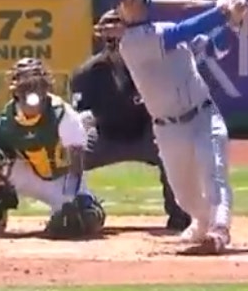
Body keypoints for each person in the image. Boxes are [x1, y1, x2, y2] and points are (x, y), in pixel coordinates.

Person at [93, 0, 248, 253]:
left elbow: (216, 48)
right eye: (127, 4)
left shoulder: (164, 31)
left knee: (213, 173)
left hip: (203, 115)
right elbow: (187, 29)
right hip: (168, 129)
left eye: (138, 1)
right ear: (119, 10)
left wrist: (233, 24)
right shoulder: (132, 44)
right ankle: (203, 222)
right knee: (184, 196)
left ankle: (219, 229)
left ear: (147, 3)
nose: (134, 7)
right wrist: (223, 10)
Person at [0, 58, 106, 238]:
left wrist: (69, 199)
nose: (32, 93)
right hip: (30, 176)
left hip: (62, 180)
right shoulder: (6, 119)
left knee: (84, 220)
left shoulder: (62, 114)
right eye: (25, 87)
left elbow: (76, 165)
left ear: (46, 88)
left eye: (37, 87)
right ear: (15, 90)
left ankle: (87, 205)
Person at [71, 29, 191, 231]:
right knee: (68, 152)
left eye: (121, 38)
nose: (118, 45)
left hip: (146, 133)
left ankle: (181, 213)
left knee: (175, 144)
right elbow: (78, 117)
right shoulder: (87, 73)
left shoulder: (154, 69)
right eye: (112, 40)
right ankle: (73, 211)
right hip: (105, 135)